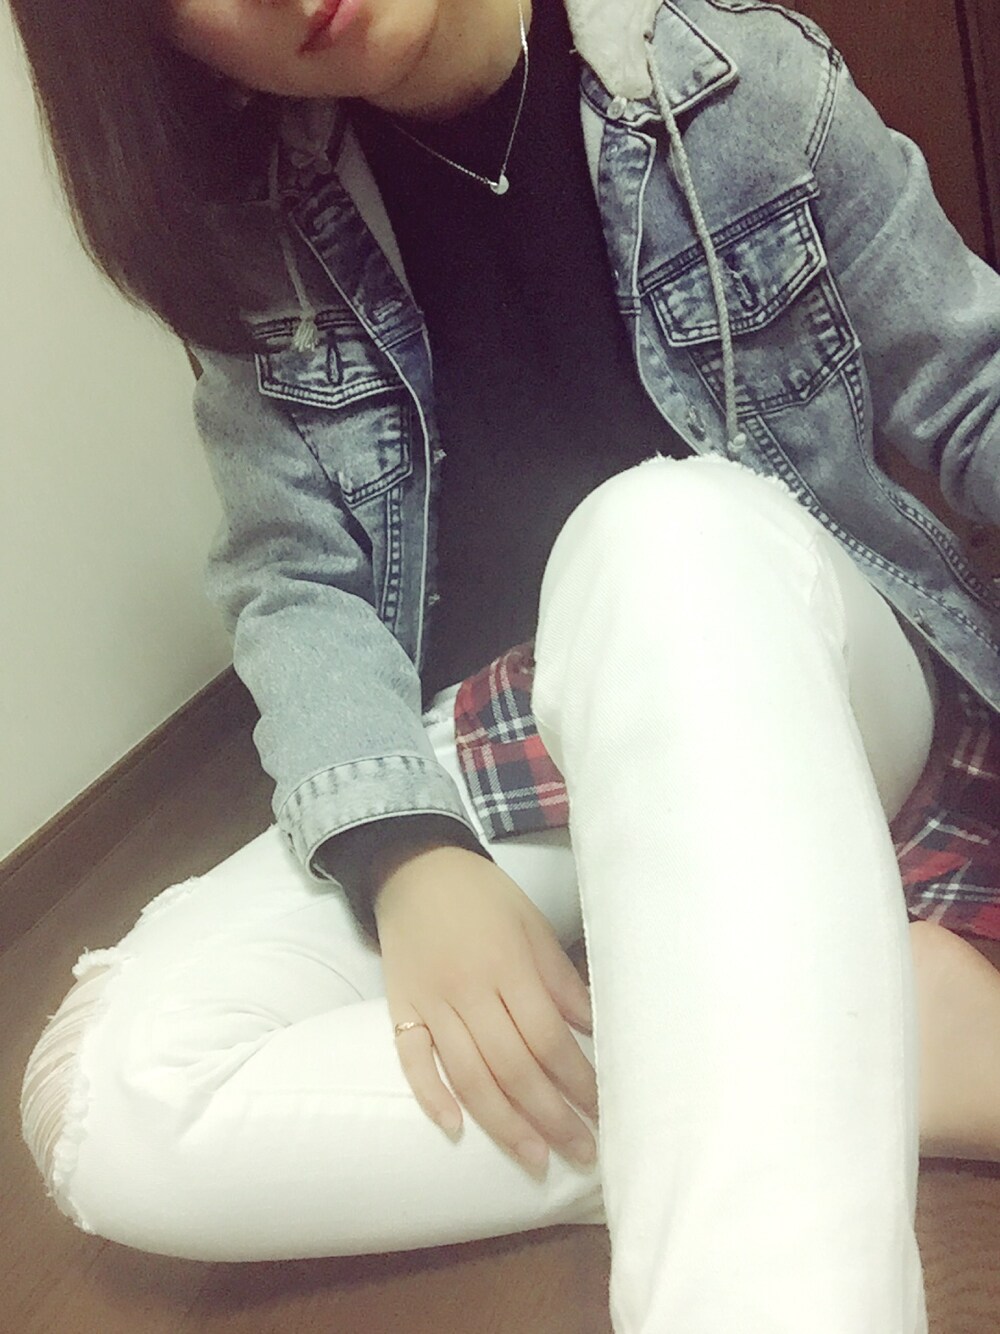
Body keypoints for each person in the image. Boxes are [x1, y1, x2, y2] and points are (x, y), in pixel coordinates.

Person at [12, 0, 1000, 1327]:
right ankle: (891, 1043)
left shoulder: (729, 78)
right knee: (114, 1091)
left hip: (807, 663)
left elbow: (974, 389)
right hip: (522, 735)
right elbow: (294, 581)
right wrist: (405, 850)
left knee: (657, 533)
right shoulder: (261, 233)